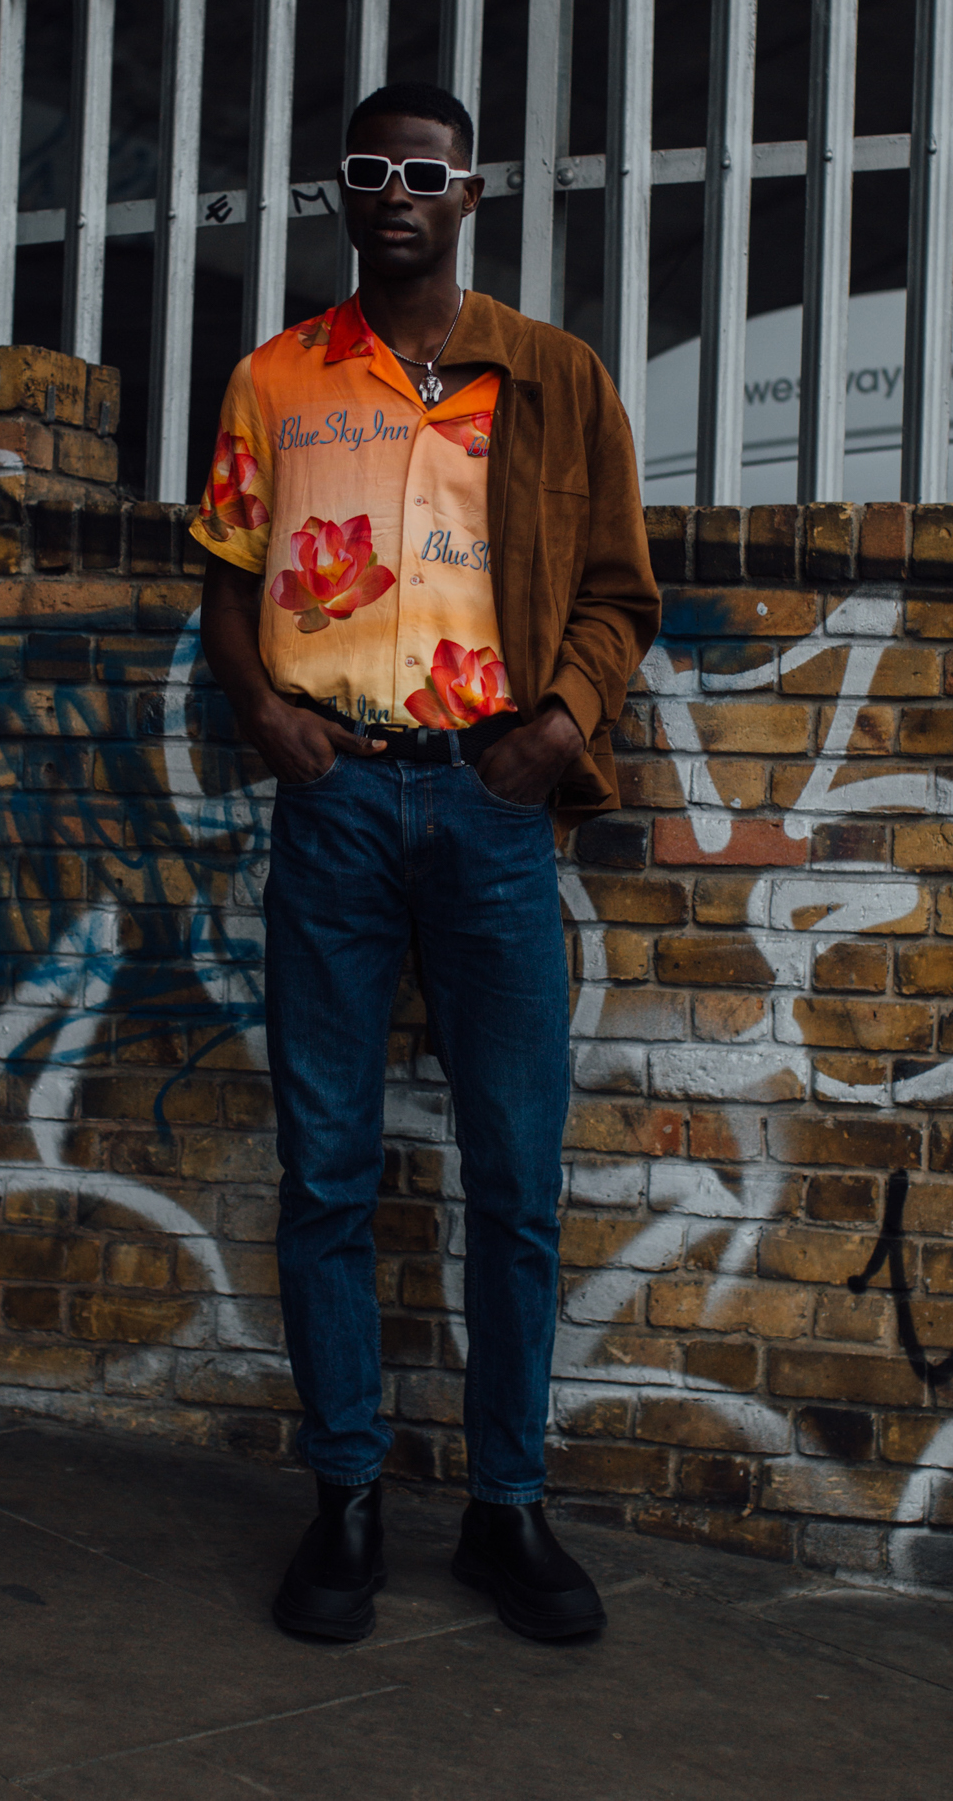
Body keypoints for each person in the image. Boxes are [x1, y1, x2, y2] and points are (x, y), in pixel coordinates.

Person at [192, 80, 658, 1645]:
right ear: (343, 192)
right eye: (372, 170)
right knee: (326, 1170)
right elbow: (226, 580)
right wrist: (266, 717)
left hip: (492, 808)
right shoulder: (275, 379)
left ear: (471, 195)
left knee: (514, 1178)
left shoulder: (556, 377)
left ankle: (507, 1509)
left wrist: (560, 724)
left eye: (427, 172)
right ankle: (345, 1499)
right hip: (333, 803)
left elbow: (620, 592)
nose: (397, 191)